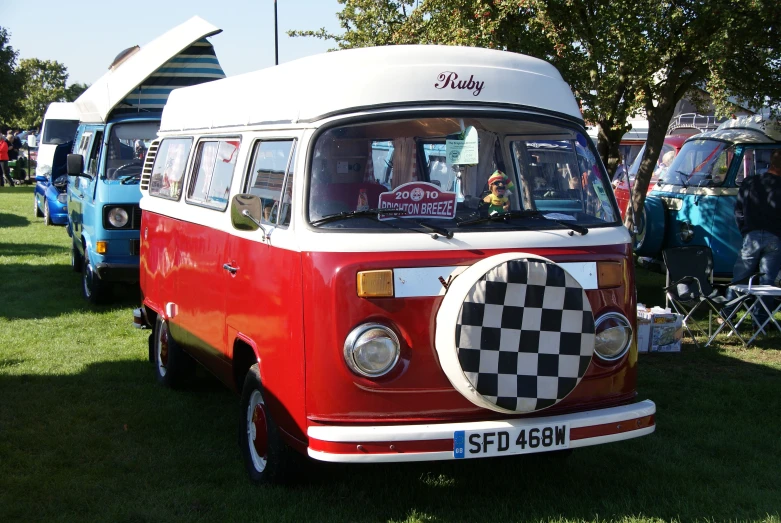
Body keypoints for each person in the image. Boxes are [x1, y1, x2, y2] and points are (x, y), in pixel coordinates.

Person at [732, 148, 781, 327]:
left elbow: (738, 209)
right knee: (767, 282)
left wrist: (745, 230)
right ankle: (760, 320)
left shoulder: (750, 182)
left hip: (751, 235)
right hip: (775, 236)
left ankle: (728, 314)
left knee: (740, 277)